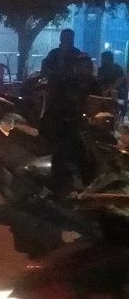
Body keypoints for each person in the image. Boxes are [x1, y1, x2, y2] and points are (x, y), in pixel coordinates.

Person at [41, 53, 100, 194]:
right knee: (65, 153)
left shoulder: (93, 83)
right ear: (75, 67)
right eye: (82, 66)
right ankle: (59, 189)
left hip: (89, 125)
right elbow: (57, 104)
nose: (85, 69)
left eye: (88, 66)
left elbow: (100, 100)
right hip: (65, 124)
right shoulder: (65, 82)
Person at [97, 50, 127, 116]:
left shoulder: (117, 68)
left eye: (103, 58)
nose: (101, 60)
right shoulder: (101, 70)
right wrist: (104, 91)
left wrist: (110, 89)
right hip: (105, 95)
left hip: (119, 95)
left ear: (109, 59)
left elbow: (120, 80)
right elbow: (100, 82)